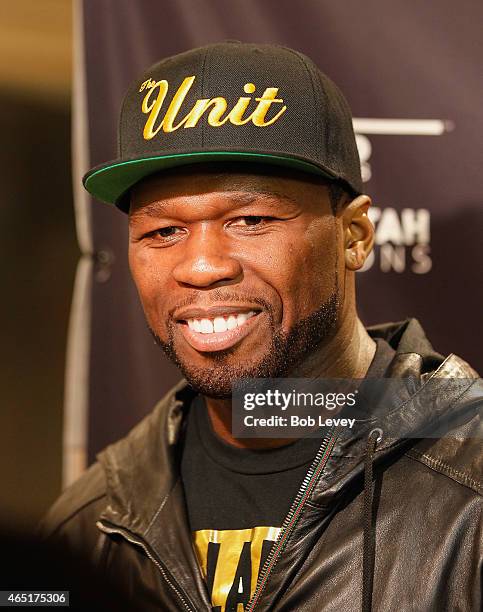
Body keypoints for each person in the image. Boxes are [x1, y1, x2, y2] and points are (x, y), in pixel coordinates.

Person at [40, 42, 482, 612]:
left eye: (252, 220)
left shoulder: (468, 477)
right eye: (162, 232)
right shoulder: (95, 518)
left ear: (354, 236)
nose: (201, 266)